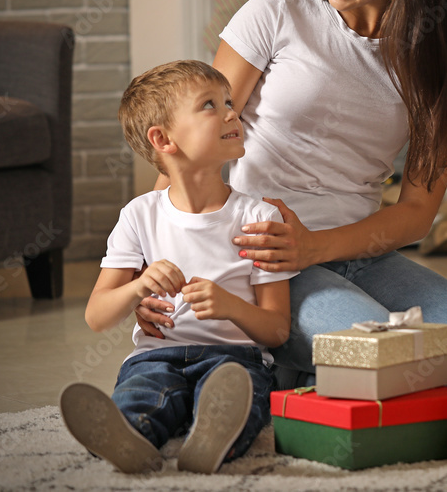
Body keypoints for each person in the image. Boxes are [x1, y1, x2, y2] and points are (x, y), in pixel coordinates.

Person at [137, 0, 447, 391]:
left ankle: (285, 367)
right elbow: (192, 148)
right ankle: (267, 358)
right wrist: (156, 257)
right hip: (259, 261)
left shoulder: (434, 60)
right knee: (390, 360)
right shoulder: (275, 15)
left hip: (358, 252)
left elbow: (415, 213)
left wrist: (317, 246)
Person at [59, 60, 296, 474]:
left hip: (235, 357)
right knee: (144, 393)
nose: (230, 112)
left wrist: (230, 306)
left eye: (228, 101)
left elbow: (277, 330)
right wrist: (136, 289)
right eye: (210, 105)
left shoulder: (259, 217)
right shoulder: (138, 216)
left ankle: (212, 436)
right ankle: (129, 436)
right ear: (163, 139)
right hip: (156, 355)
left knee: (234, 397)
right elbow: (97, 317)